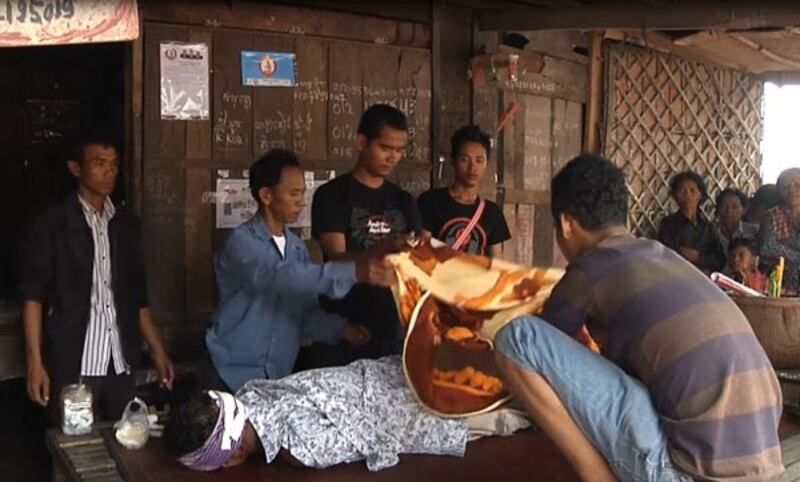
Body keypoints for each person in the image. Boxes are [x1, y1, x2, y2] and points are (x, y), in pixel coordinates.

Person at [494, 154, 783, 482]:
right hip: (764, 466)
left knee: (516, 338)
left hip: (684, 474)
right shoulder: (665, 257)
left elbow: (543, 350)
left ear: (565, 224)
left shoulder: (590, 270)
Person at [205, 149, 393, 392]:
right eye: (293, 194)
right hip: (228, 373)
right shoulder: (241, 242)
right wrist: (354, 272)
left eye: (303, 193)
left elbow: (302, 315)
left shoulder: (297, 250)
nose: (301, 202)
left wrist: (339, 329)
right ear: (266, 195)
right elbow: (279, 278)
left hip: (274, 378)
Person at [20, 136, 175, 421]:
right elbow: (34, 297)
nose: (110, 172)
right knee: (75, 449)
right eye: (99, 164)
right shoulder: (53, 224)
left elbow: (137, 298)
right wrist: (35, 362)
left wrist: (158, 351)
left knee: (130, 440)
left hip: (120, 361)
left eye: (114, 164)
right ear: (75, 168)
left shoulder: (125, 224)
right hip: (75, 363)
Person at [164, 356, 530, 472]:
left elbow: (371, 440)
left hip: (424, 413)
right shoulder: (253, 391)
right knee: (494, 379)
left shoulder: (301, 448)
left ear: (233, 458)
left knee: (508, 415)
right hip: (398, 372)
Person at [307, 104, 422, 368]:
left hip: (391, 325)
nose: (393, 157)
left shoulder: (404, 201)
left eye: (399, 150)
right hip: (343, 323)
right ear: (361, 143)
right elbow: (336, 256)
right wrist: (387, 247)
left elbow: (416, 258)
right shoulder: (332, 195)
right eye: (385, 148)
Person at [418, 125, 510, 256]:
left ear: (486, 164)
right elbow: (422, 252)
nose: (472, 167)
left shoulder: (492, 213)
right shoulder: (431, 201)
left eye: (479, 160)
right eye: (464, 160)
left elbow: (495, 264)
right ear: (453, 161)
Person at [658, 170, 725, 272]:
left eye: (692, 190)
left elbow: (720, 261)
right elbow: (666, 255)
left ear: (701, 195)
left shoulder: (708, 227)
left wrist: (699, 258)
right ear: (675, 196)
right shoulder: (669, 223)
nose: (687, 195)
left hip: (704, 280)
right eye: (682, 191)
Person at [758, 168, 800, 292]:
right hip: (781, 285)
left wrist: (786, 245)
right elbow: (767, 248)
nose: (792, 190)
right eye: (786, 187)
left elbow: (775, 248)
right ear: (779, 191)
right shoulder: (771, 216)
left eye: (797, 185)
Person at [715, 187, 758, 255]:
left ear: (744, 210)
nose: (729, 210)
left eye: (735, 207)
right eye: (724, 206)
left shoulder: (754, 232)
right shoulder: (711, 232)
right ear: (718, 209)